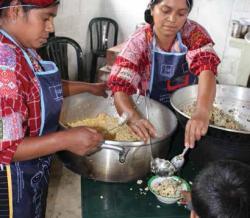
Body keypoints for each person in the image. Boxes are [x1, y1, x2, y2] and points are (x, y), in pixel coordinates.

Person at [0, 0, 106, 217]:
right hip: (10, 182)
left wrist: (90, 88)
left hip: (33, 169)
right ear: (15, 10)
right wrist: (66, 139)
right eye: (46, 18)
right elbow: (5, 148)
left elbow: (41, 88)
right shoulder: (4, 62)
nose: (51, 28)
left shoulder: (23, 49)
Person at [107, 0, 221, 148]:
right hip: (151, 115)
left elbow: (207, 68)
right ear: (152, 9)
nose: (172, 19)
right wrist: (133, 118)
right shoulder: (139, 42)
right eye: (166, 10)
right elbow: (119, 88)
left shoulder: (193, 33)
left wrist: (202, 111)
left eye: (181, 13)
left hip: (187, 113)